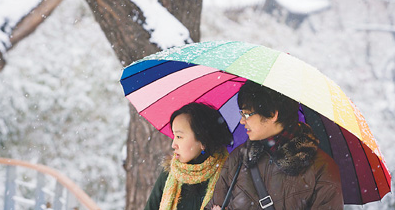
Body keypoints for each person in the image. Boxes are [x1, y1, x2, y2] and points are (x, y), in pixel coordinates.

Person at [207, 80, 344, 210]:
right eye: (241, 113)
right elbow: (215, 203)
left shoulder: (320, 168)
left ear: (272, 114)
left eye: (247, 114)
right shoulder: (239, 158)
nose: (242, 121)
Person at [144, 102, 233, 210]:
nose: (173, 145)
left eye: (179, 136)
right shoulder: (170, 173)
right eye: (174, 135)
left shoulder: (229, 176)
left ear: (203, 141)